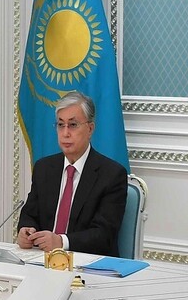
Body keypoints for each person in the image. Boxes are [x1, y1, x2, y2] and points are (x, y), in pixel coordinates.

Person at [17, 91, 127, 257]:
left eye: (73, 125)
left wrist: (62, 242)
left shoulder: (111, 175)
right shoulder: (44, 168)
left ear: (90, 129)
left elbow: (104, 235)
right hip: (41, 260)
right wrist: (26, 231)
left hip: (87, 263)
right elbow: (29, 215)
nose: (65, 133)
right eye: (61, 125)